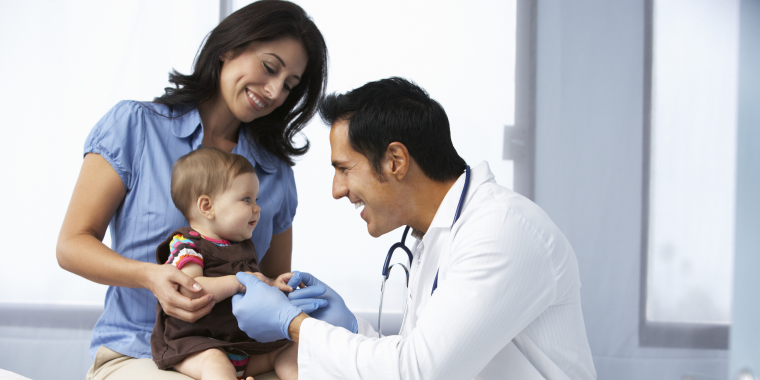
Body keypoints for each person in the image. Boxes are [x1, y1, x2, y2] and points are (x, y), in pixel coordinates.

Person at [231, 78, 598, 379]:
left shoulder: (501, 231)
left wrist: (294, 324)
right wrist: (349, 327)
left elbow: (418, 372)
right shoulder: (432, 236)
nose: (337, 190)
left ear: (395, 161)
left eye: (344, 168)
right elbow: (414, 355)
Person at [55, 1, 327, 379]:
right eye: (269, 68)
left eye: (289, 86)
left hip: (241, 357)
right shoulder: (136, 127)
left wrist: (287, 293)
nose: (274, 91)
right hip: (140, 353)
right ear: (229, 47)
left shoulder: (275, 171)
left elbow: (269, 283)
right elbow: (71, 245)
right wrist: (149, 276)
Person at [151, 148, 302, 380]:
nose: (257, 208)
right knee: (215, 363)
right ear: (207, 207)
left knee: (292, 347)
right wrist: (238, 282)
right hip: (197, 345)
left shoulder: (242, 247)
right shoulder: (186, 245)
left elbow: (254, 284)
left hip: (243, 345)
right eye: (246, 199)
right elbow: (190, 288)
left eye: (256, 200)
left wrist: (273, 284)